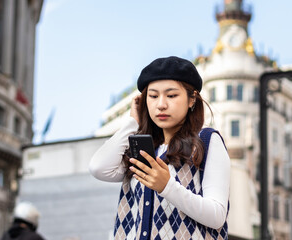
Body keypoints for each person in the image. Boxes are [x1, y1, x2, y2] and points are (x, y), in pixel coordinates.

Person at [89, 56, 230, 239]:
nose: (161, 104)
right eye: (153, 96)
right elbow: (98, 168)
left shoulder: (207, 141)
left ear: (192, 99)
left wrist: (167, 186)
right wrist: (132, 123)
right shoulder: (143, 149)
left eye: (171, 95)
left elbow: (217, 215)